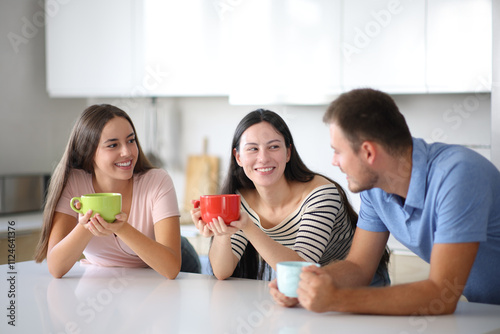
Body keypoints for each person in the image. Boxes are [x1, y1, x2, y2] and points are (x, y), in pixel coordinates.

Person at [270, 88, 500, 315]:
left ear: (368, 153)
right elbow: (359, 267)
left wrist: (337, 299)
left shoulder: (458, 175)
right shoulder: (375, 189)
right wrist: (309, 284)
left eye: (337, 151)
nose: (334, 162)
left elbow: (441, 294)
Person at [191, 109, 389, 284]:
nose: (263, 158)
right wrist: (222, 234)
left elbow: (301, 267)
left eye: (274, 146)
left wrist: (248, 227)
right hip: (308, 287)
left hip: (356, 284)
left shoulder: (321, 194)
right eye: (253, 148)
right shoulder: (239, 200)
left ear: (288, 153)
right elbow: (221, 272)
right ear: (238, 158)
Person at [34, 104, 200, 278]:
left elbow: (171, 268)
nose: (127, 152)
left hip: (176, 268)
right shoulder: (74, 182)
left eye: (131, 140)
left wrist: (122, 228)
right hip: (110, 282)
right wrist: (86, 226)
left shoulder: (157, 181)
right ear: (88, 152)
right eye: (113, 145)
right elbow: (56, 268)